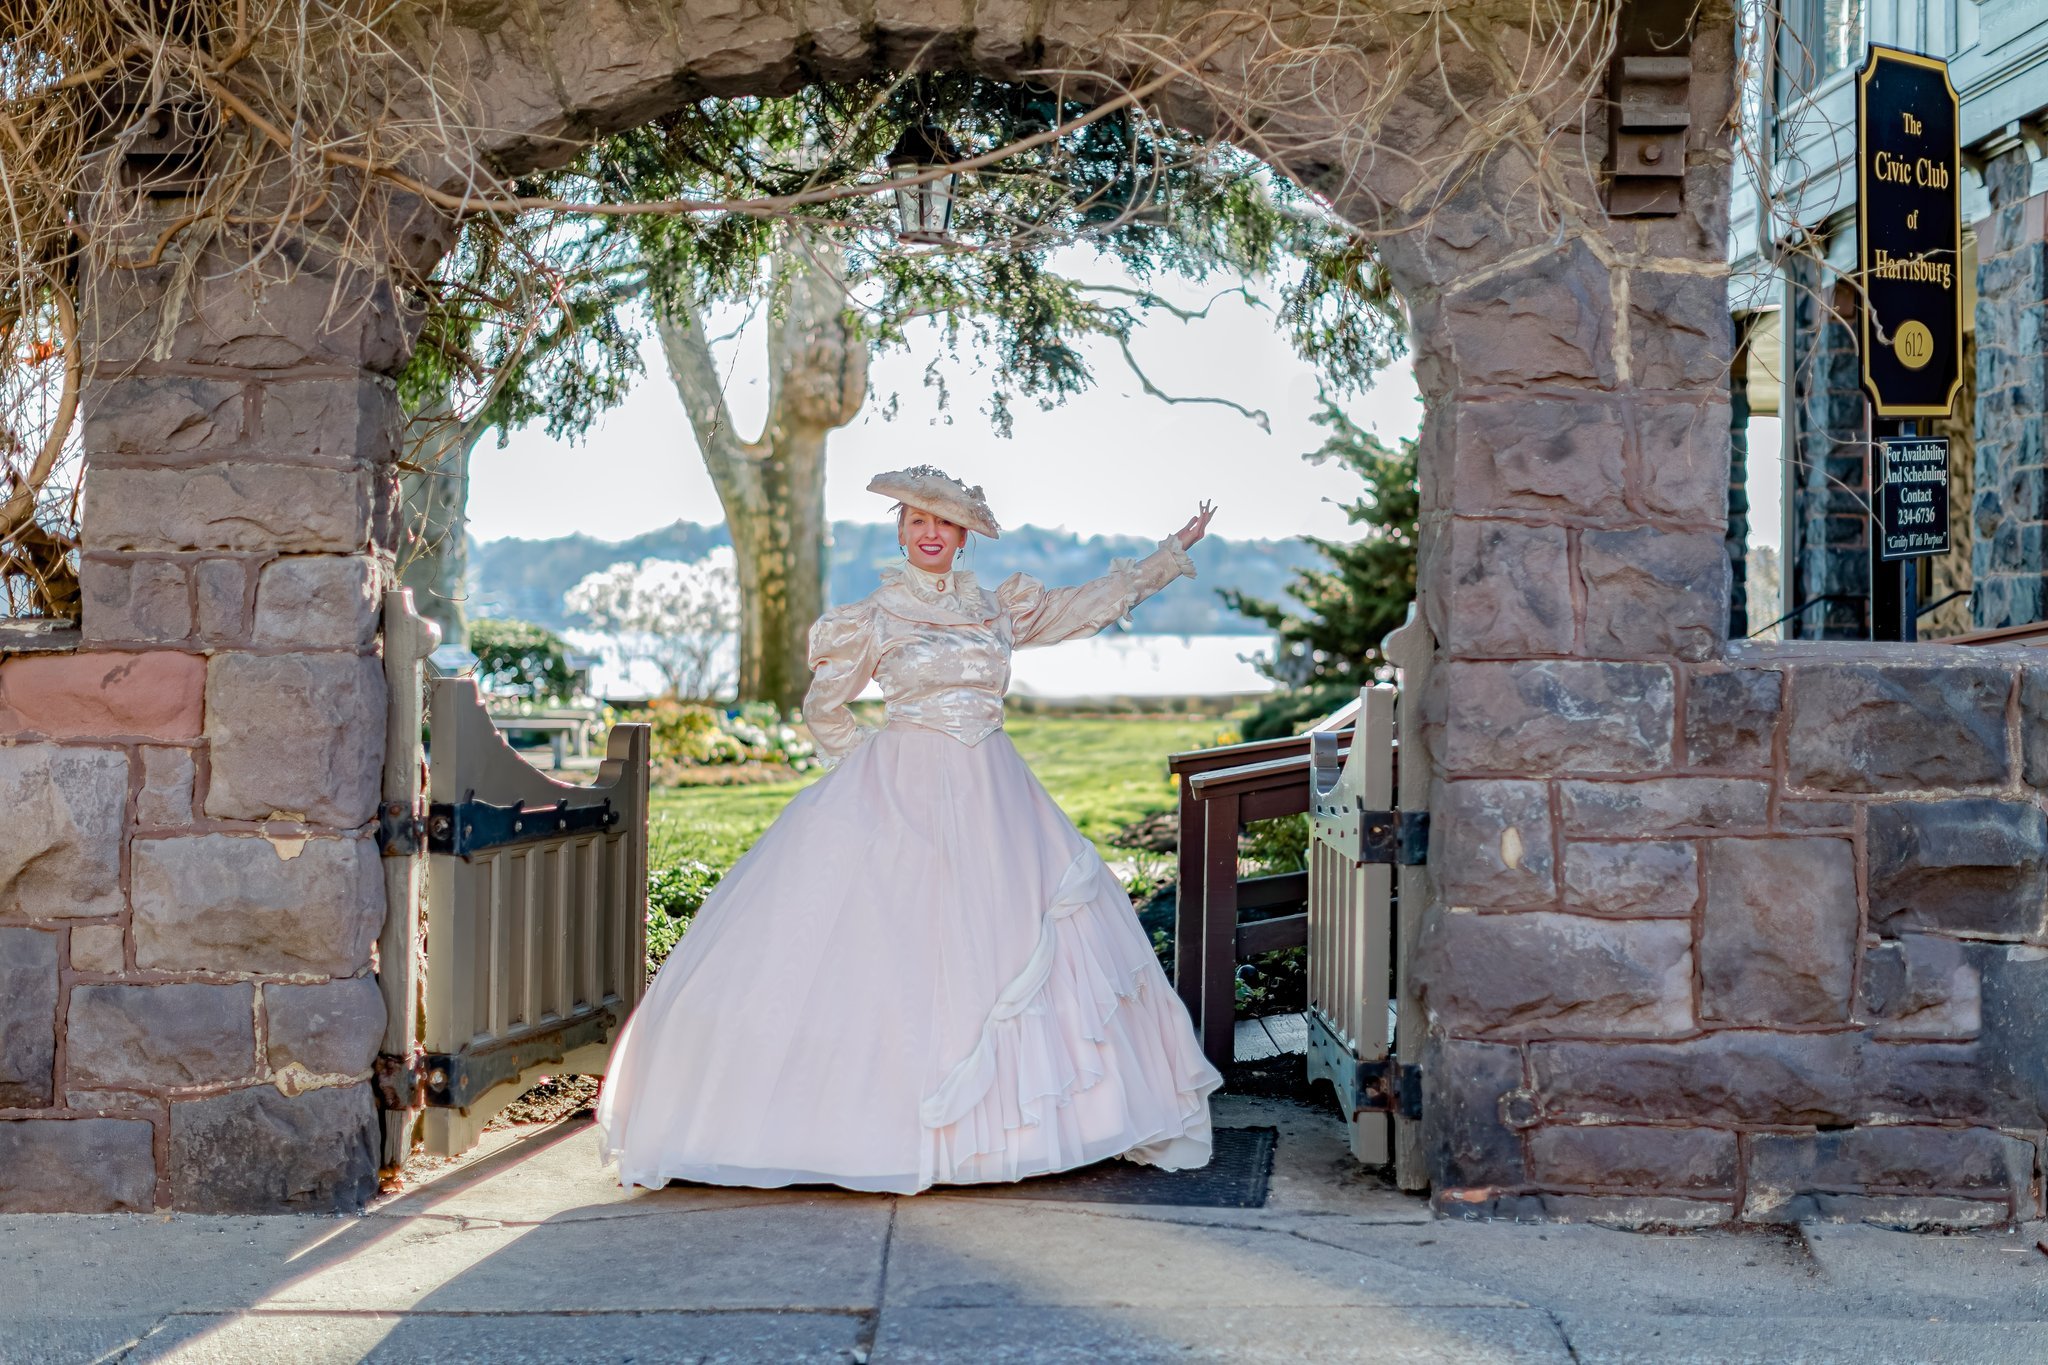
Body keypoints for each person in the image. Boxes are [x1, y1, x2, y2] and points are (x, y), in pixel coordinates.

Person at [595, 464, 1224, 1194]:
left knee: (1017, 941)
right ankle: (852, 1130)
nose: (930, 533)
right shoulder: (874, 617)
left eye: (944, 522)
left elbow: (1086, 605)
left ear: (963, 537)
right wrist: (870, 770)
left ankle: (1028, 1132)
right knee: (885, 951)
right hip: (897, 792)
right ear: (900, 529)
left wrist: (1168, 555)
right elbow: (825, 708)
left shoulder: (998, 609)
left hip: (997, 799)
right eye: (917, 520)